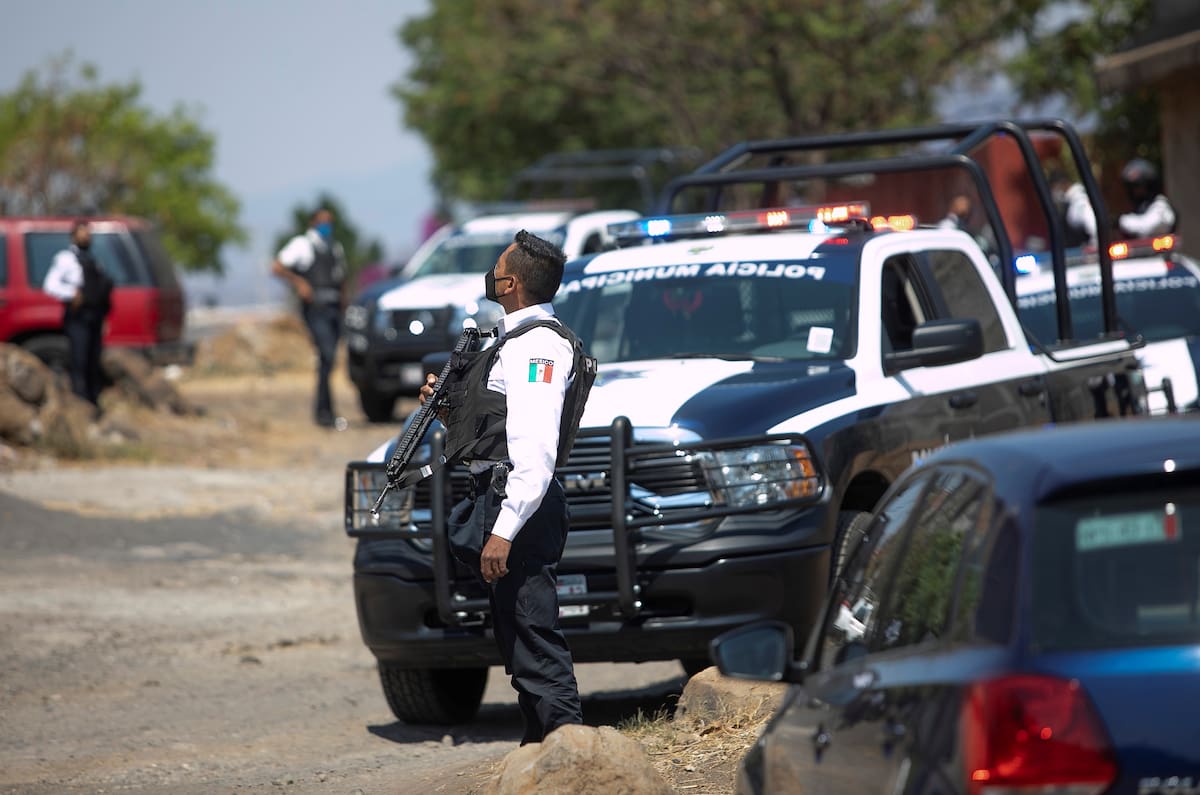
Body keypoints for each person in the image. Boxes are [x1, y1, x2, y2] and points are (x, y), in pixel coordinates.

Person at [419, 229, 584, 745]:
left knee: (535, 640)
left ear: (508, 283)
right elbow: (494, 435)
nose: (489, 275)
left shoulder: (539, 346)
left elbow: (534, 454)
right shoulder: (511, 341)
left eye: (495, 268)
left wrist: (505, 531)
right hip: (500, 499)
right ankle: (541, 751)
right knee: (517, 645)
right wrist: (449, 412)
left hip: (521, 509)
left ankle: (572, 755)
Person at [272, 207, 347, 428]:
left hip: (334, 309)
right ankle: (324, 413)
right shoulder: (302, 245)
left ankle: (325, 411)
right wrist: (300, 283)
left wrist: (345, 305)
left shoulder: (334, 248)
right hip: (316, 309)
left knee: (329, 361)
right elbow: (277, 266)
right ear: (313, 223)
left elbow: (341, 278)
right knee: (327, 354)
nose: (327, 226)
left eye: (330, 222)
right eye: (323, 222)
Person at [42, 219, 113, 411]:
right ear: (74, 236)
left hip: (95, 316)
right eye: (82, 233)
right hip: (77, 317)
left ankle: (93, 403)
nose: (86, 237)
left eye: (88, 234)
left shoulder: (94, 260)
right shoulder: (65, 258)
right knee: (78, 360)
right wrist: (71, 293)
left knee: (93, 361)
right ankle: (79, 403)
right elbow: (50, 285)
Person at [1116, 158, 1177, 239]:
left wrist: (1121, 221)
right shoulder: (1138, 209)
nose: (1136, 191)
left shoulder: (1161, 205)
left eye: (1139, 186)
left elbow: (1147, 227)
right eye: (1132, 187)